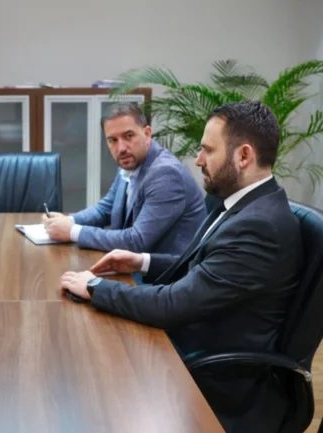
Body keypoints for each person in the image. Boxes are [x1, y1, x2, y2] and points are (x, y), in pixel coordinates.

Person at [60, 101, 303, 433]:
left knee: (89, 381)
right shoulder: (243, 203)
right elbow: (207, 268)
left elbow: (173, 305)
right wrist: (142, 261)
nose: (198, 160)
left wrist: (94, 286)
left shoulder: (259, 226)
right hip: (193, 337)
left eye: (207, 150)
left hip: (216, 376)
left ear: (244, 156)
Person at [43, 103, 206, 255]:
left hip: (165, 273)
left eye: (129, 136)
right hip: (132, 265)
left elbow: (137, 241)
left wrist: (73, 231)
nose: (121, 148)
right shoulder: (131, 162)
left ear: (147, 134)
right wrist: (68, 221)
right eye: (113, 140)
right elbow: (105, 209)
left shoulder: (166, 174)